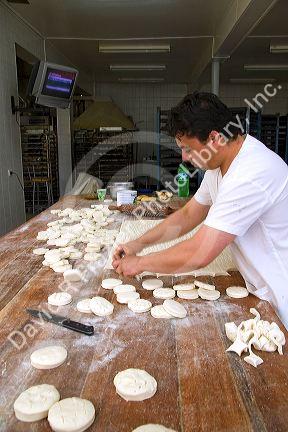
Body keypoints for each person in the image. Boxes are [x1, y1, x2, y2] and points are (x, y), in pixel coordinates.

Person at [112, 92, 288, 328]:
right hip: (260, 287)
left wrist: (140, 263)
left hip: (280, 296)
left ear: (215, 138)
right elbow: (189, 214)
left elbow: (199, 252)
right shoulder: (219, 164)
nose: (184, 158)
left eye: (188, 149)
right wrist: (138, 244)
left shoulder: (251, 174)